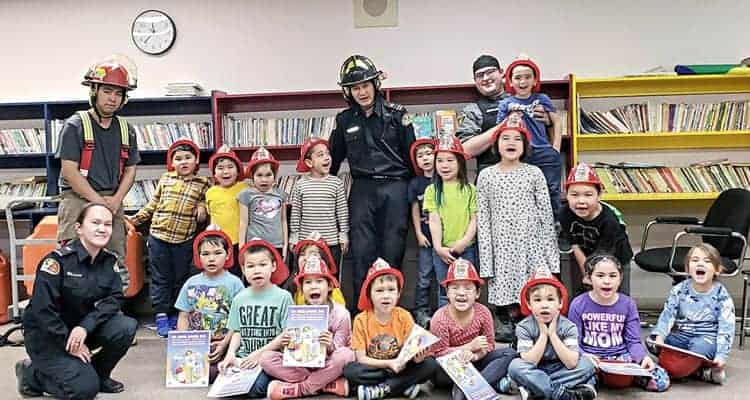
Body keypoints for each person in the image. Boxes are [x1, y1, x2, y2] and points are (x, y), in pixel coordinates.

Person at [16, 203, 137, 399]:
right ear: (78, 228)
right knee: (84, 391)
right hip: (48, 337)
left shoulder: (108, 262)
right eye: (95, 222)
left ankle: (98, 376)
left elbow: (114, 299)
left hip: (80, 329)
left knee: (125, 326)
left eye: (107, 224)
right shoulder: (57, 262)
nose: (102, 229)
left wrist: (84, 327)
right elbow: (42, 312)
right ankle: (32, 375)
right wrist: (70, 341)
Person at [329, 55, 416, 310]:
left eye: (366, 85)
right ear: (348, 91)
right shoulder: (344, 120)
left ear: (375, 84)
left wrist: (415, 197)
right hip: (362, 191)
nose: (362, 92)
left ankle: (392, 315)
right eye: (356, 88)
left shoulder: (397, 114)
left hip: (396, 189)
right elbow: (332, 162)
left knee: (392, 251)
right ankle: (361, 316)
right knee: (362, 255)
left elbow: (413, 159)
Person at [56, 57, 140, 290]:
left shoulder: (127, 129)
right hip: (78, 199)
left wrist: (115, 201)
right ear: (94, 91)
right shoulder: (75, 125)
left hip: (112, 200)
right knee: (72, 261)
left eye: (119, 93)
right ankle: (75, 320)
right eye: (107, 91)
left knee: (115, 261)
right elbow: (70, 171)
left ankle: (111, 315)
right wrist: (99, 202)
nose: (113, 98)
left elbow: (131, 169)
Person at [476, 122, 559, 343]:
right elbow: (482, 219)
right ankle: (507, 320)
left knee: (532, 285)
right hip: (501, 244)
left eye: (517, 139)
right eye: (505, 138)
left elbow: (545, 215)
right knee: (504, 286)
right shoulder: (486, 175)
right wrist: (486, 261)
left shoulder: (534, 173)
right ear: (496, 145)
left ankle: (531, 324)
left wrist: (551, 257)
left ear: (524, 145)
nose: (511, 143)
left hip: (530, 243)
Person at [129, 139, 210, 337]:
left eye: (188, 158)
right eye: (178, 158)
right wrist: (133, 220)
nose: (183, 162)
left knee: (180, 278)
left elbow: (208, 204)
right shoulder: (166, 179)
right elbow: (152, 205)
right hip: (159, 237)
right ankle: (161, 315)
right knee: (160, 278)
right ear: (172, 162)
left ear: (195, 161)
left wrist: (202, 208)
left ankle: (177, 314)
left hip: (184, 240)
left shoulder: (203, 183)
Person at [568, 254, 670, 392]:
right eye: (600, 275)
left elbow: (633, 341)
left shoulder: (628, 304)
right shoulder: (578, 304)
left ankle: (624, 377)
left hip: (620, 358)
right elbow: (573, 342)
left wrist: (643, 358)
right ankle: (591, 382)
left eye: (612, 276)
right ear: (588, 278)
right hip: (591, 358)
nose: (607, 281)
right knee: (576, 374)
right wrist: (583, 355)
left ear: (620, 278)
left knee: (661, 381)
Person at [343, 259, 439, 400]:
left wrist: (418, 358)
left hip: (401, 367)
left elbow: (410, 351)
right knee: (350, 371)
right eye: (379, 291)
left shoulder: (404, 316)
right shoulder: (360, 319)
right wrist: (389, 363)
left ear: (398, 294)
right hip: (377, 367)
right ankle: (402, 385)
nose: (386, 295)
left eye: (391, 290)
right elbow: (361, 358)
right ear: (369, 294)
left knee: (430, 364)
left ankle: (383, 388)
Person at [262, 255, 355, 399]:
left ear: (329, 286)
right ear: (302, 288)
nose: (313, 286)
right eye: (308, 282)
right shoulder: (298, 313)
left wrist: (330, 344)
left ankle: (300, 389)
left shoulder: (341, 314)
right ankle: (324, 384)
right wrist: (287, 345)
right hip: (303, 365)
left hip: (328, 363)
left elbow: (340, 350)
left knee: (346, 355)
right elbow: (292, 352)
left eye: (319, 281)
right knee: (266, 358)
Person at [429, 258, 517, 400]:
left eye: (468, 288)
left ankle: (470, 388)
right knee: (432, 367)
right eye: (455, 287)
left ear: (477, 293)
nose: (461, 293)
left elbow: (489, 345)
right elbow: (439, 353)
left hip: (476, 362)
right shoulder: (439, 318)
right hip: (450, 368)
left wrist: (475, 356)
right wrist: (468, 348)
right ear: (447, 292)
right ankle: (485, 385)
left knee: (509, 353)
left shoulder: (483, 312)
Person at [650, 243, 735, 384]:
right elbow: (668, 315)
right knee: (655, 342)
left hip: (706, 339)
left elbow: (727, 328)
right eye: (695, 260)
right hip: (683, 336)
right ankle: (700, 372)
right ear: (687, 268)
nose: (700, 264)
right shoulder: (679, 290)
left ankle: (685, 370)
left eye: (707, 261)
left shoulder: (721, 295)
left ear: (717, 270)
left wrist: (721, 356)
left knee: (698, 347)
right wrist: (660, 337)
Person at [507, 268, 597, 400]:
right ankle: (559, 392)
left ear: (560, 303)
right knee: (515, 366)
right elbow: (530, 361)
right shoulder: (524, 327)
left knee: (587, 364)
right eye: (537, 300)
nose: (544, 305)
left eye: (550, 299)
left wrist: (553, 334)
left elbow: (571, 363)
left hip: (562, 368)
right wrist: (543, 335)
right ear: (529, 304)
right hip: (536, 369)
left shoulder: (568, 326)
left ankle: (539, 390)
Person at [218, 239, 292, 397]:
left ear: (273, 266)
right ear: (243, 270)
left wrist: (258, 355)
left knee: (255, 389)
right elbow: (237, 331)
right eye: (250, 266)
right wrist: (231, 354)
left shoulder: (284, 297)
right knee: (223, 384)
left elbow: (286, 334)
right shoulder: (240, 298)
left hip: (269, 359)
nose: (256, 270)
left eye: (262, 265)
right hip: (243, 359)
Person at [458, 55, 551, 175]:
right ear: (475, 80)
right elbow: (465, 150)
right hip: (493, 178)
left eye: (490, 72)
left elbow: (552, 128)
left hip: (530, 173)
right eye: (480, 75)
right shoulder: (473, 111)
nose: (485, 78)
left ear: (502, 73)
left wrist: (548, 121)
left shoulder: (527, 96)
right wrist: (503, 125)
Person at [174, 228, 245, 383]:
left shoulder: (235, 283)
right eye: (205, 254)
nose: (211, 259)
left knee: (217, 370)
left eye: (217, 253)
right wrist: (184, 344)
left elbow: (240, 320)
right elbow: (183, 316)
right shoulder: (191, 283)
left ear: (227, 255)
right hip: (198, 344)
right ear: (198, 257)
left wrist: (225, 343)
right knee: (193, 371)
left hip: (226, 343)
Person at [496, 57, 563, 218]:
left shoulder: (542, 99)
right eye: (517, 78)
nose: (523, 81)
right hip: (521, 154)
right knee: (522, 191)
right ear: (510, 82)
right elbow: (498, 130)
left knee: (551, 189)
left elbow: (557, 121)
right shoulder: (506, 103)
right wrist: (510, 119)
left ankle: (553, 224)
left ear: (534, 81)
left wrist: (555, 149)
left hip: (544, 152)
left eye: (527, 77)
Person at [560, 163, 633, 294]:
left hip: (616, 257)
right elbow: (575, 245)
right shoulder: (565, 213)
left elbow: (603, 257)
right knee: (587, 295)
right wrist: (587, 275)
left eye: (588, 195)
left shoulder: (610, 221)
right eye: (574, 195)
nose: (581, 201)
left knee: (615, 296)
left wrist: (593, 277)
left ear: (599, 196)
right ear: (567, 196)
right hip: (587, 254)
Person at [423, 136, 477, 308]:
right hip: (442, 251)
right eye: (439, 160)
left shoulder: (470, 189)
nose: (444, 165)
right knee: (445, 290)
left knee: (467, 289)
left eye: (450, 160)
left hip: (466, 248)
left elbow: (475, 219)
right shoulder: (432, 190)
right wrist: (438, 247)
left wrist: (464, 242)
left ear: (460, 162)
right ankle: (444, 328)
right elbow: (434, 220)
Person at [289, 137, 349, 271]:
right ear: (309, 162)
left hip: (331, 241)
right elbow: (296, 212)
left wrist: (343, 234)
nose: (327, 158)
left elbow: (342, 211)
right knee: (306, 274)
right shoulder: (300, 184)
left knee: (330, 276)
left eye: (328, 153)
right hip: (307, 242)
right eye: (320, 155)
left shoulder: (336, 183)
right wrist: (294, 236)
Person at [206, 146, 249, 278]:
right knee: (218, 274)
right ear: (214, 173)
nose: (226, 171)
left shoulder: (244, 188)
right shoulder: (210, 192)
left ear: (238, 170)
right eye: (220, 168)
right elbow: (211, 215)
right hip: (218, 242)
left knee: (236, 274)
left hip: (238, 241)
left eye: (230, 167)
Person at [407, 138, 436, 327]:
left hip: (446, 238)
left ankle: (443, 310)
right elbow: (415, 209)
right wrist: (418, 232)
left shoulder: (444, 179)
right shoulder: (416, 183)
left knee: (443, 277)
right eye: (420, 155)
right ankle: (421, 310)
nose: (425, 158)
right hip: (426, 238)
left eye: (428, 153)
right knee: (424, 276)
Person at [238, 147, 288, 257]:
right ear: (252, 176)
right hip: (254, 244)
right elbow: (243, 222)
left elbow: (283, 221)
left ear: (274, 175)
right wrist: (241, 246)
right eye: (259, 175)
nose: (264, 179)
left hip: (277, 245)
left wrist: (285, 245)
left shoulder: (281, 194)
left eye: (268, 175)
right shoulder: (246, 194)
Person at [292, 232, 347, 306]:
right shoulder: (293, 289)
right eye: (302, 254)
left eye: (312, 254)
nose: (305, 258)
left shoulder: (334, 293)